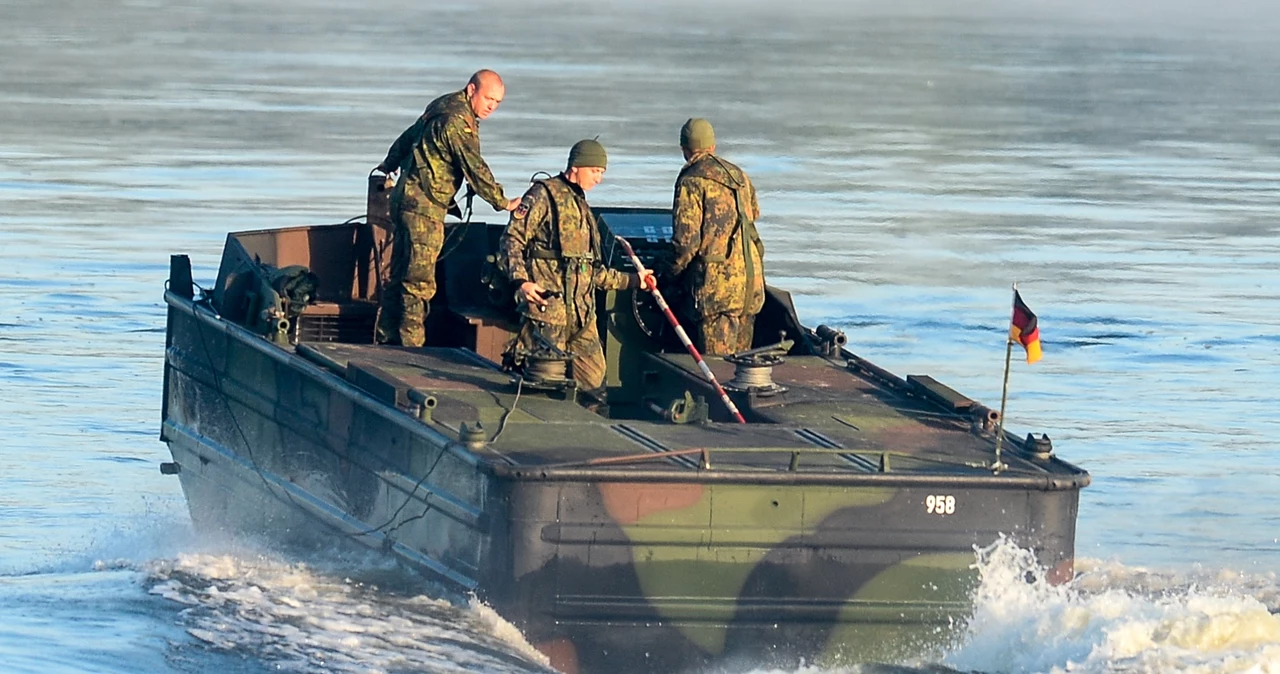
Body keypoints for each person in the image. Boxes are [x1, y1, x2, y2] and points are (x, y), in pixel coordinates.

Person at [374, 69, 522, 347]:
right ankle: (410, 348)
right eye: (488, 98)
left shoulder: (443, 105)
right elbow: (474, 167)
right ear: (471, 90)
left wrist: (389, 163)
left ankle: (387, 339)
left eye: (497, 102)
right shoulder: (458, 123)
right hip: (424, 208)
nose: (491, 106)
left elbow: (409, 135)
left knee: (400, 275)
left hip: (405, 200)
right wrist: (502, 202)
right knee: (418, 281)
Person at [498, 139, 655, 395]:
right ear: (577, 166)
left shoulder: (582, 207)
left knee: (594, 387)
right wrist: (521, 281)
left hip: (583, 318)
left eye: (602, 173)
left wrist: (635, 281)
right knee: (544, 387)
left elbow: (590, 271)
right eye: (595, 171)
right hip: (549, 314)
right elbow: (511, 239)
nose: (599, 179)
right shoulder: (542, 195)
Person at [667, 118, 765, 356]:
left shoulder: (692, 180)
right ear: (713, 146)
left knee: (717, 368)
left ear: (684, 149)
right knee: (743, 370)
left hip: (717, 292)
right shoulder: (739, 176)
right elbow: (753, 216)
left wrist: (667, 273)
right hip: (750, 286)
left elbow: (686, 242)